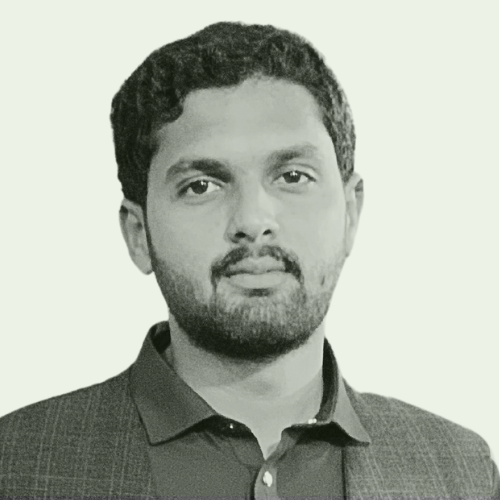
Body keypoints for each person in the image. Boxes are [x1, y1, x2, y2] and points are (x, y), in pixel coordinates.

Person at [0, 21, 497, 499]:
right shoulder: (15, 467)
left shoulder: (464, 474)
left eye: (293, 176)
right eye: (201, 186)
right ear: (138, 234)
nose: (253, 219)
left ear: (350, 212)